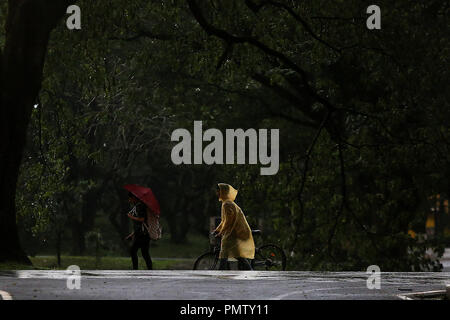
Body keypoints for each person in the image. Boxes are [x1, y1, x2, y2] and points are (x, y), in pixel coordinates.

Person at [213, 183, 255, 270]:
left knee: (224, 249)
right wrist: (217, 230)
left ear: (223, 192)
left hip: (235, 231)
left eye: (218, 191)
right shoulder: (227, 203)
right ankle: (249, 270)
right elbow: (224, 221)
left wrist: (220, 232)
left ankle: (221, 270)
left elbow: (228, 221)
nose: (217, 193)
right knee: (237, 254)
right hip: (234, 230)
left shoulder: (227, 204)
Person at [125, 192, 153, 270]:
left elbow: (142, 219)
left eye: (130, 198)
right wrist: (132, 234)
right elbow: (140, 225)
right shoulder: (139, 206)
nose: (129, 200)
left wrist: (131, 217)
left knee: (133, 251)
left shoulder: (140, 206)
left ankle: (135, 269)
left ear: (134, 198)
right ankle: (150, 270)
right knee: (145, 253)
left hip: (142, 235)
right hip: (143, 233)